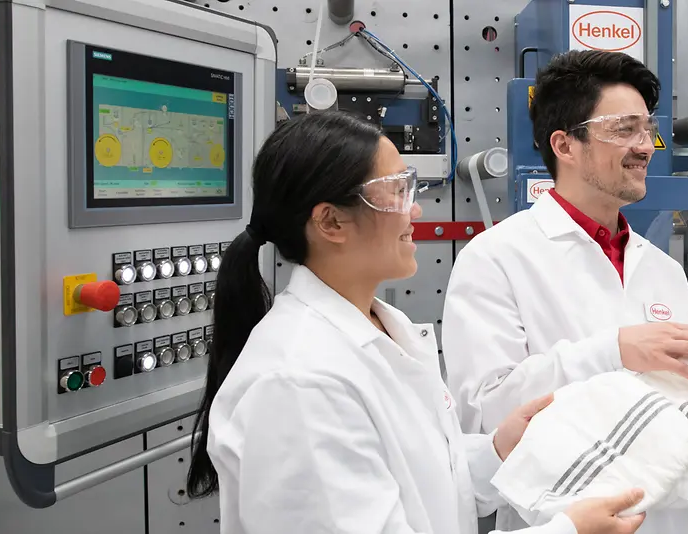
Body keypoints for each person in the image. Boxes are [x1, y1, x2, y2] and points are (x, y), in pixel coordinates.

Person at [183, 111, 649, 534]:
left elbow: (421, 477)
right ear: (330, 222)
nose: (417, 210)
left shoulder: (387, 328)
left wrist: (497, 451)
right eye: (397, 191)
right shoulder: (299, 381)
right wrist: (567, 532)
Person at [441, 50, 688, 534]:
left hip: (675, 519)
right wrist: (613, 352)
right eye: (624, 129)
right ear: (565, 145)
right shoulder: (496, 257)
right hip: (562, 519)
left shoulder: (658, 267)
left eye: (647, 129)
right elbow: (484, 417)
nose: (645, 146)